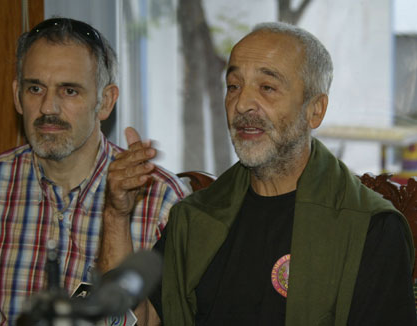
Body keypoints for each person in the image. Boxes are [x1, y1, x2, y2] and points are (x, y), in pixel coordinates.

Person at [149, 22, 416, 325]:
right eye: (234, 86)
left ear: (315, 110)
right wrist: (116, 216)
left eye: (267, 87)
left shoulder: (370, 228)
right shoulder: (195, 217)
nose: (242, 104)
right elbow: (145, 316)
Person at [0, 18, 189, 325]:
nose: (48, 108)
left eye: (69, 91)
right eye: (35, 88)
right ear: (18, 95)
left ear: (105, 102)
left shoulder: (161, 199)